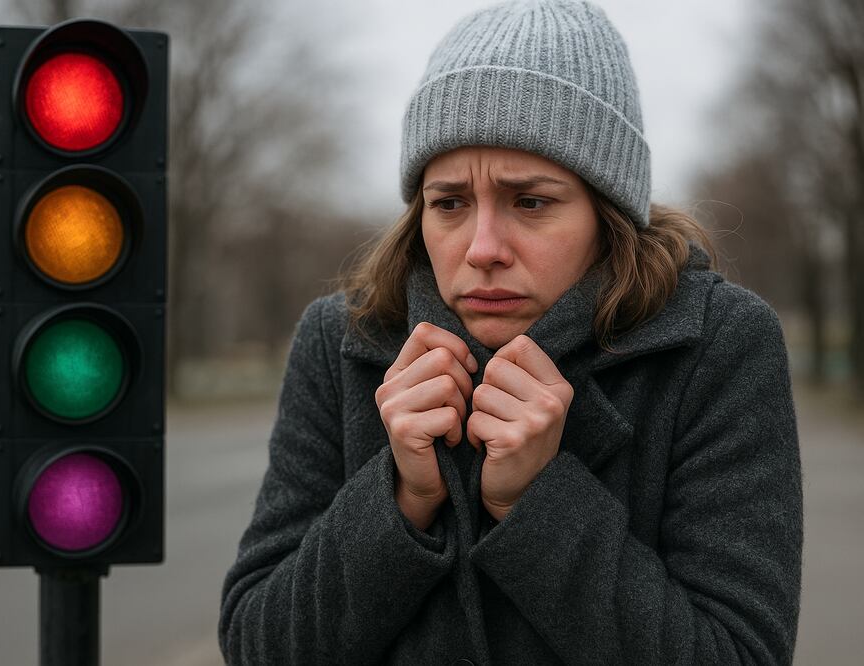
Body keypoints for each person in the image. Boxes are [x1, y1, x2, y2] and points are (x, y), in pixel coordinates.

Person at [219, 1, 803, 664]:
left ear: (605, 212)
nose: (482, 248)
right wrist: (400, 498)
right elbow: (256, 646)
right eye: (449, 204)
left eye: (529, 201)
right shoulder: (345, 341)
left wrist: (536, 502)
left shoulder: (715, 346)